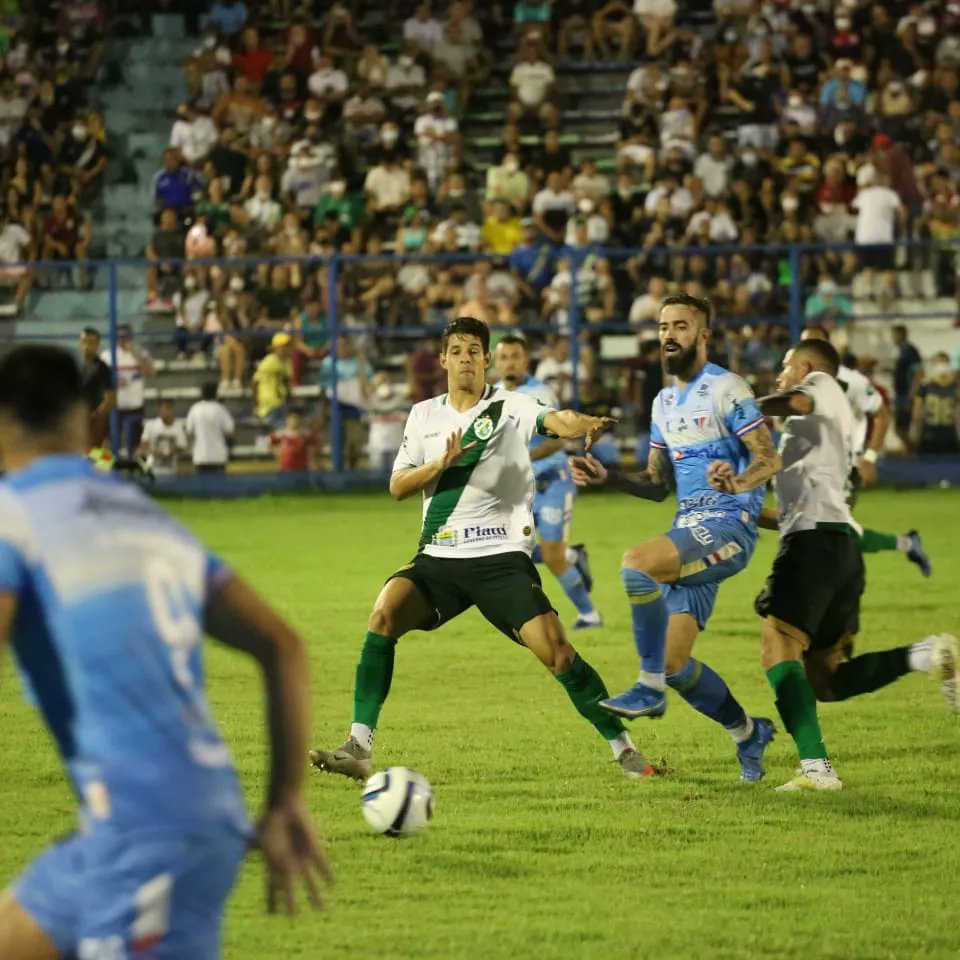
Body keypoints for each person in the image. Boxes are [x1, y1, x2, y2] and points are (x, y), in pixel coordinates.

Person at [0, 344, 330, 960]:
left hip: (148, 833)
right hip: (146, 824)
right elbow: (281, 645)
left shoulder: (12, 514)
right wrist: (286, 798)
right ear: (84, 420)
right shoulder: (145, 517)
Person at [310, 316, 653, 782]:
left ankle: (623, 747)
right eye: (457, 350)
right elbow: (397, 486)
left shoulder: (511, 404)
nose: (466, 358)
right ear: (444, 360)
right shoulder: (423, 415)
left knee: (558, 654)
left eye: (475, 350)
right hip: (440, 557)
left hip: (501, 558)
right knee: (383, 614)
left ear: (486, 360)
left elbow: (554, 420)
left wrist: (583, 423)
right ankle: (358, 745)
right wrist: (440, 463)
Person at [570, 294, 782, 781]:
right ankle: (749, 732)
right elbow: (658, 483)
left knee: (636, 563)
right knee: (675, 663)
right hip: (689, 531)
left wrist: (742, 483)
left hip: (729, 526)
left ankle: (646, 688)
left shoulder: (727, 388)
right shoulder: (663, 403)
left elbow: (768, 459)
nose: (669, 334)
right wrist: (610, 479)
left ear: (703, 335)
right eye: (664, 326)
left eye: (681, 326)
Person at [749, 338, 957, 792]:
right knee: (826, 680)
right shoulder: (814, 433)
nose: (781, 375)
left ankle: (816, 770)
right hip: (840, 549)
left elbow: (792, 397)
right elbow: (789, 515)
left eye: (786, 366)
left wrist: (739, 407)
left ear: (806, 366)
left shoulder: (820, 385)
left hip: (814, 548)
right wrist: (738, 510)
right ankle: (924, 654)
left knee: (777, 646)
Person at [801, 326, 930, 576]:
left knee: (830, 528)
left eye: (814, 345)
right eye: (804, 345)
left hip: (845, 466)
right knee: (830, 530)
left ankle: (828, 587)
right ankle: (906, 543)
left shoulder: (852, 381)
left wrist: (869, 457)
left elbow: (881, 415)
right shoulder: (798, 383)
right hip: (812, 466)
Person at [494, 335, 601, 629]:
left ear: (526, 360)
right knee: (509, 551)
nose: (510, 362)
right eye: (504, 357)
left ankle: (589, 614)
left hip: (552, 481)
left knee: (551, 557)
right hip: (518, 487)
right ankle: (572, 555)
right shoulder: (493, 395)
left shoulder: (539, 393)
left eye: (516, 356)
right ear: (495, 362)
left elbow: (560, 438)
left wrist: (525, 455)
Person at [100, 324, 154, 458]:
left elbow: (151, 372)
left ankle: (137, 470)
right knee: (108, 440)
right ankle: (102, 470)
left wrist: (134, 353)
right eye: (120, 337)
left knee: (138, 442)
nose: (123, 340)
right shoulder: (107, 355)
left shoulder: (141, 353)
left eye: (126, 336)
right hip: (115, 404)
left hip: (135, 403)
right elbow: (100, 378)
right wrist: (114, 382)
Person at [912, 352, 960, 455]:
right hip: (929, 435)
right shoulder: (925, 384)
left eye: (944, 362)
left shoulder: (955, 384)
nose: (941, 366)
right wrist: (917, 437)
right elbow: (918, 411)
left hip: (950, 437)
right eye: (938, 362)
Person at [186, 381, 235, 474]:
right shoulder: (220, 409)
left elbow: (189, 430)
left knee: (202, 487)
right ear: (216, 393)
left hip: (200, 455)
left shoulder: (195, 409)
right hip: (218, 456)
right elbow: (230, 430)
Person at [78, 327, 114, 449]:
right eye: (84, 341)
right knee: (85, 452)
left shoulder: (102, 368)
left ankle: (104, 466)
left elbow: (111, 398)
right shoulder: (76, 367)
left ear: (98, 344)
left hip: (96, 420)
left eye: (91, 342)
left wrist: (97, 416)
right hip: (79, 419)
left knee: (98, 454)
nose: (87, 346)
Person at [891, 323, 923, 450]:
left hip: (906, 393)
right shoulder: (901, 351)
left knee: (901, 426)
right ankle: (909, 448)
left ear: (902, 334)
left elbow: (919, 372)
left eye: (894, 335)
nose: (893, 338)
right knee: (901, 426)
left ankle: (914, 448)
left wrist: (913, 392)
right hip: (900, 393)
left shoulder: (910, 350)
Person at [140, 397, 189, 478]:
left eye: (166, 409)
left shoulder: (178, 427)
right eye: (161, 410)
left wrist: (170, 450)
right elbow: (143, 444)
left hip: (171, 468)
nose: (163, 413)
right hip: (153, 467)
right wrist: (153, 450)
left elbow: (182, 446)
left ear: (171, 410)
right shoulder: (151, 425)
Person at [254, 332, 294, 425]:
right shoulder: (269, 361)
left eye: (287, 346)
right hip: (269, 407)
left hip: (282, 404)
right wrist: (256, 405)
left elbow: (287, 383)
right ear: (275, 348)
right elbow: (255, 382)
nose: (286, 349)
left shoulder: (287, 362)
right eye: (283, 346)